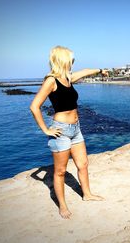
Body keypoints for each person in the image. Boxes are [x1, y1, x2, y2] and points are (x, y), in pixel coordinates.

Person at [30, 45, 109, 219]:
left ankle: (87, 195)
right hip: (61, 131)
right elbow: (34, 106)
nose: (73, 62)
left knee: (83, 164)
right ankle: (62, 206)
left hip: (76, 129)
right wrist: (46, 130)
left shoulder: (68, 77)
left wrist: (101, 70)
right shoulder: (51, 80)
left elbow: (86, 71)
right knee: (60, 171)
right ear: (63, 60)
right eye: (71, 59)